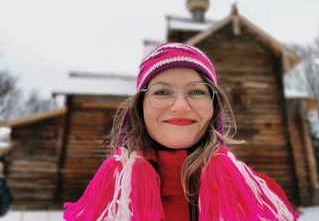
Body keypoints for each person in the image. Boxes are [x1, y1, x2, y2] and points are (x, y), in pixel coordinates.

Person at [64, 42, 299, 220]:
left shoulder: (256, 196)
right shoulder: (108, 199)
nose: (179, 106)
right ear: (140, 108)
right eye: (162, 92)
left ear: (213, 108)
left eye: (196, 92)